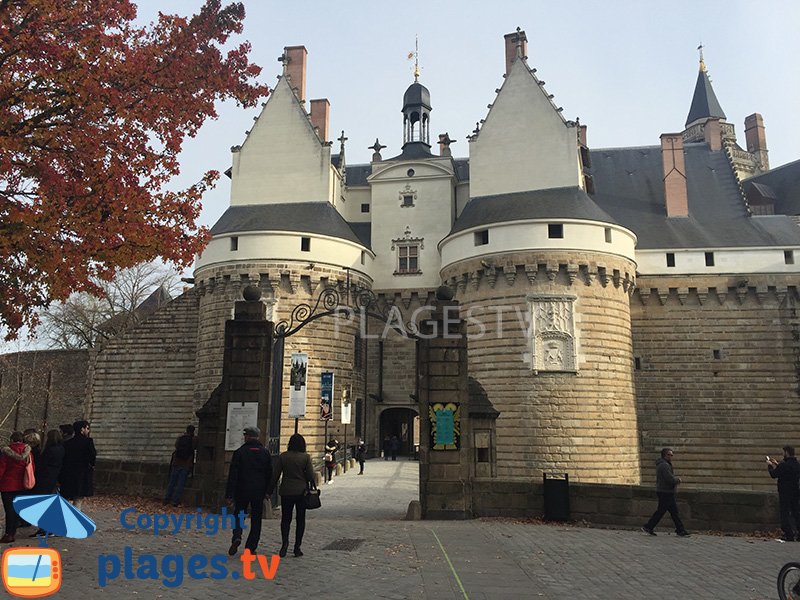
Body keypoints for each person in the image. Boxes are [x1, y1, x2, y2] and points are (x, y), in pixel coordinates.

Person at [225, 426, 272, 557]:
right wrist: (268, 491)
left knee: (239, 514)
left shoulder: (240, 452)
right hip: (259, 491)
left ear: (248, 437)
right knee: (256, 519)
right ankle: (251, 547)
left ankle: (237, 536)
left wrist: (229, 494)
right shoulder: (265, 452)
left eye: (245, 435)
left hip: (242, 490)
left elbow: (233, 475)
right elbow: (270, 473)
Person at [271, 433, 315, 558]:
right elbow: (311, 476)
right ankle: (297, 547)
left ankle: (284, 544)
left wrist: (269, 491)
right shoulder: (305, 457)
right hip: (301, 492)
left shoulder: (283, 456)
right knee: (300, 520)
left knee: (286, 519)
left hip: (286, 491)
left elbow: (276, 474)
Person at [642, 448, 689, 537]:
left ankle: (680, 530)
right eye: (669, 454)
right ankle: (680, 530)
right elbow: (669, 479)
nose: (671, 456)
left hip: (665, 491)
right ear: (664, 455)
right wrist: (677, 480)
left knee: (671, 512)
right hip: (665, 492)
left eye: (672, 455)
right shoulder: (664, 465)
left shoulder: (664, 464)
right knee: (666, 512)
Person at [31, 429, 65, 537]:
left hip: (45, 479)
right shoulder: (61, 449)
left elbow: (42, 465)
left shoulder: (48, 450)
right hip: (54, 477)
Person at [0, 432, 32, 543]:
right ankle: (13, 532)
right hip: (22, 484)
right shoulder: (28, 453)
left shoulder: (6, 452)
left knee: (9, 510)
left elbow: (1, 469)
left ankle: (9, 534)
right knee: (17, 509)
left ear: (12, 440)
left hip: (7, 485)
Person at [59, 420, 96, 510]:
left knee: (66, 497)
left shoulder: (67, 443)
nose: (88, 430)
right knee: (78, 499)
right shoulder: (88, 442)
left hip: (68, 473)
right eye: (87, 428)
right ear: (82, 429)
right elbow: (92, 457)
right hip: (82, 473)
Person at [768, 445, 800, 541]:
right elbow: (788, 471)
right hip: (795, 492)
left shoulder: (783, 465)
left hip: (785, 493)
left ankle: (789, 534)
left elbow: (774, 474)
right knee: (796, 513)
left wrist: (769, 465)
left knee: (784, 514)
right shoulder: (797, 465)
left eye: (783, 452)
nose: (782, 454)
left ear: (786, 452)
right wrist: (777, 464)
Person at [164, 425, 197, 506]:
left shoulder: (180, 438)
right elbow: (195, 447)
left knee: (172, 482)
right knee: (180, 484)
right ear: (193, 431)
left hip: (176, 462)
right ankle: (175, 501)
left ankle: (166, 499)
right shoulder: (193, 439)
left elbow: (176, 446)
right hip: (186, 464)